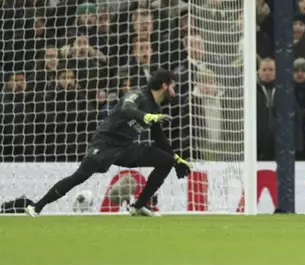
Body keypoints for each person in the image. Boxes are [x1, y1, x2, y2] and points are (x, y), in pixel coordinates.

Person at [25, 69, 192, 217]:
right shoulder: (138, 95)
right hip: (105, 143)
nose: (174, 92)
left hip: (126, 148)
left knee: (166, 161)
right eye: (173, 87)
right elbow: (127, 109)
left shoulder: (155, 108)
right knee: (81, 175)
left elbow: (159, 139)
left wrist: (176, 158)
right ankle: (37, 206)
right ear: (164, 86)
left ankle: (139, 206)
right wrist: (147, 117)